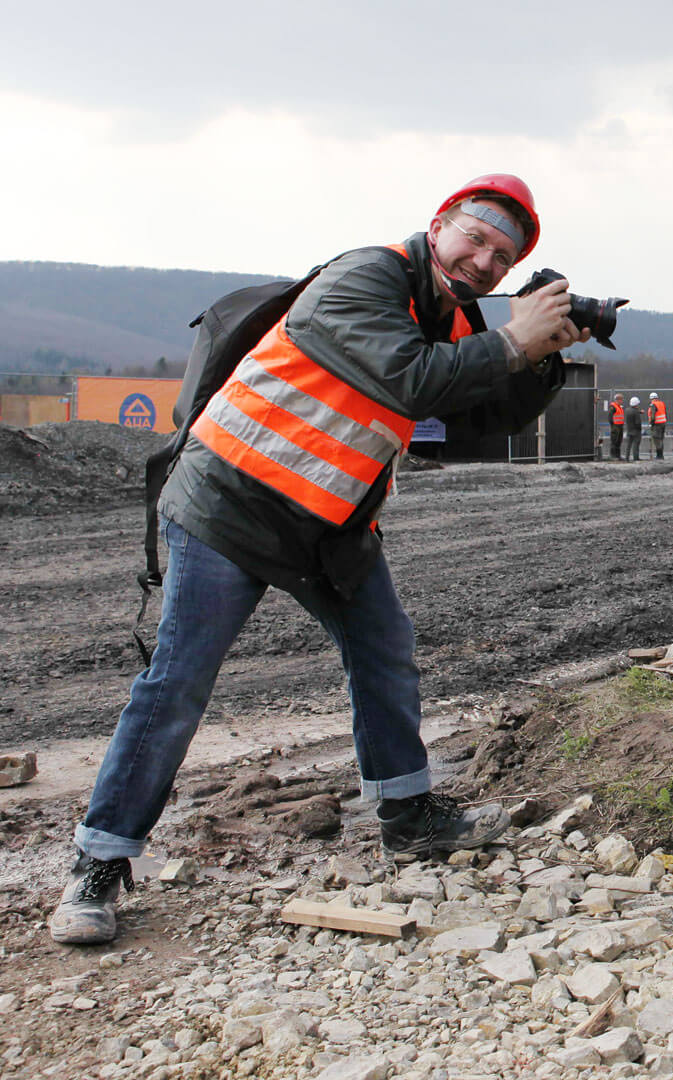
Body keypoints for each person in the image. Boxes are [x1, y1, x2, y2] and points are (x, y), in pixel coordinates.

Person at [48, 174, 595, 946]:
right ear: (439, 224)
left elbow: (485, 412)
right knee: (178, 680)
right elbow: (407, 378)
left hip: (329, 524)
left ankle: (408, 817)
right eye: (475, 238)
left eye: (501, 257)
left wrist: (541, 355)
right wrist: (509, 339)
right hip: (228, 502)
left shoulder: (454, 314)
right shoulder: (365, 277)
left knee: (383, 652)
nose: (482, 261)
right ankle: (99, 863)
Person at [647, 392, 667, 459]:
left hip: (656, 425)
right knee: (661, 439)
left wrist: (651, 424)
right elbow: (665, 413)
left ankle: (659, 456)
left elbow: (653, 416)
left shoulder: (653, 405)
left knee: (657, 440)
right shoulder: (662, 403)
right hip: (663, 424)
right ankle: (661, 455)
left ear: (651, 398)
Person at [624, 395, 643, 461]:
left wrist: (639, 411)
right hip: (636, 431)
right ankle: (636, 458)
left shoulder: (627, 410)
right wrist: (640, 429)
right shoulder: (636, 412)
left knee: (628, 445)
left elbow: (632, 412)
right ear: (636, 404)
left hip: (629, 430)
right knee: (636, 445)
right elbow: (638, 422)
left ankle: (627, 458)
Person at [608, 392, 625, 460]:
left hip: (620, 426)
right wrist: (613, 425)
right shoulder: (613, 407)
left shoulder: (619, 407)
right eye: (621, 399)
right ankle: (612, 456)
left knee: (619, 441)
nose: (622, 401)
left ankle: (618, 455)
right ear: (618, 400)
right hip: (615, 427)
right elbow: (610, 417)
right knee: (614, 441)